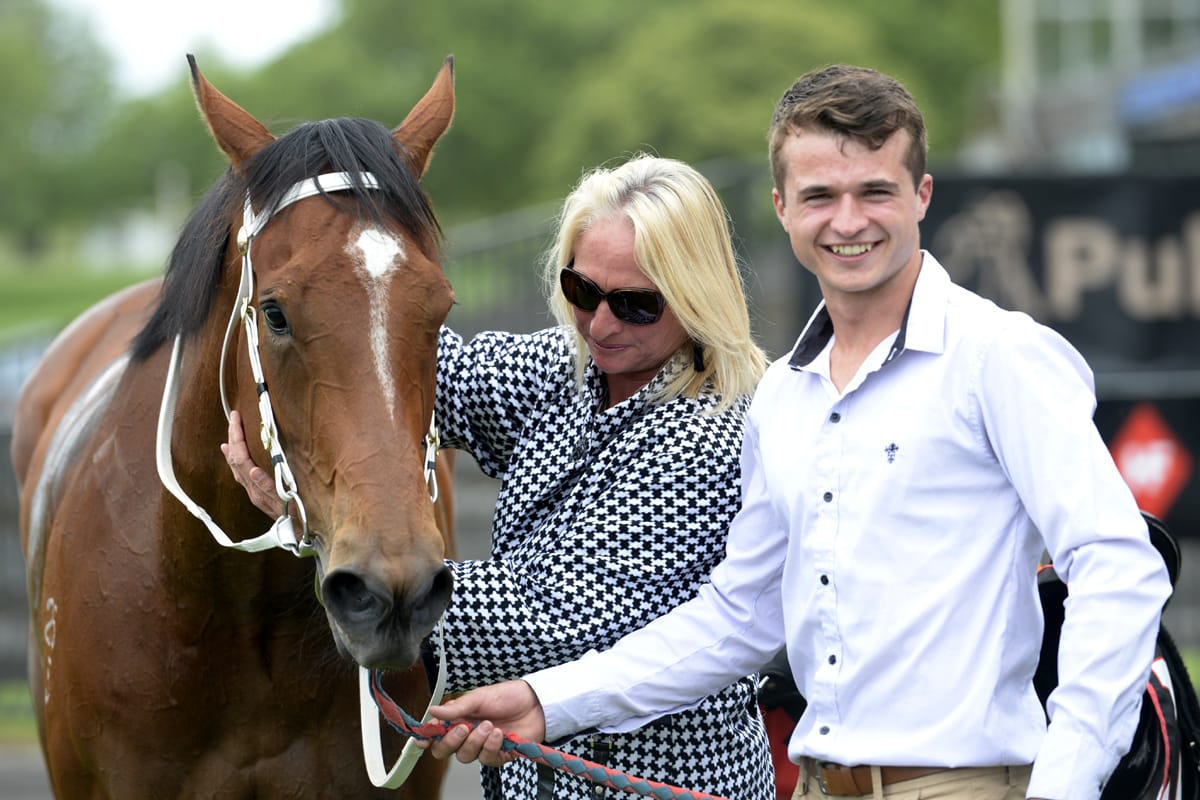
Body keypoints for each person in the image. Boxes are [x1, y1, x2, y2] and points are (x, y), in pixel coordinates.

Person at [418, 65, 1174, 800]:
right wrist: (545, 702)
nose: (847, 221)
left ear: (922, 196)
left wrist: (1068, 782)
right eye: (820, 196)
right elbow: (737, 618)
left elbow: (1117, 563)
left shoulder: (998, 355)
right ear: (781, 207)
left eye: (875, 190)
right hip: (814, 783)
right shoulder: (783, 397)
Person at [222, 153, 775, 799]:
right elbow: (402, 368)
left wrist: (324, 534)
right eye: (582, 291)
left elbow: (555, 618)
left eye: (636, 305)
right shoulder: (570, 371)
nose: (600, 323)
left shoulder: (711, 436)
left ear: (696, 293)